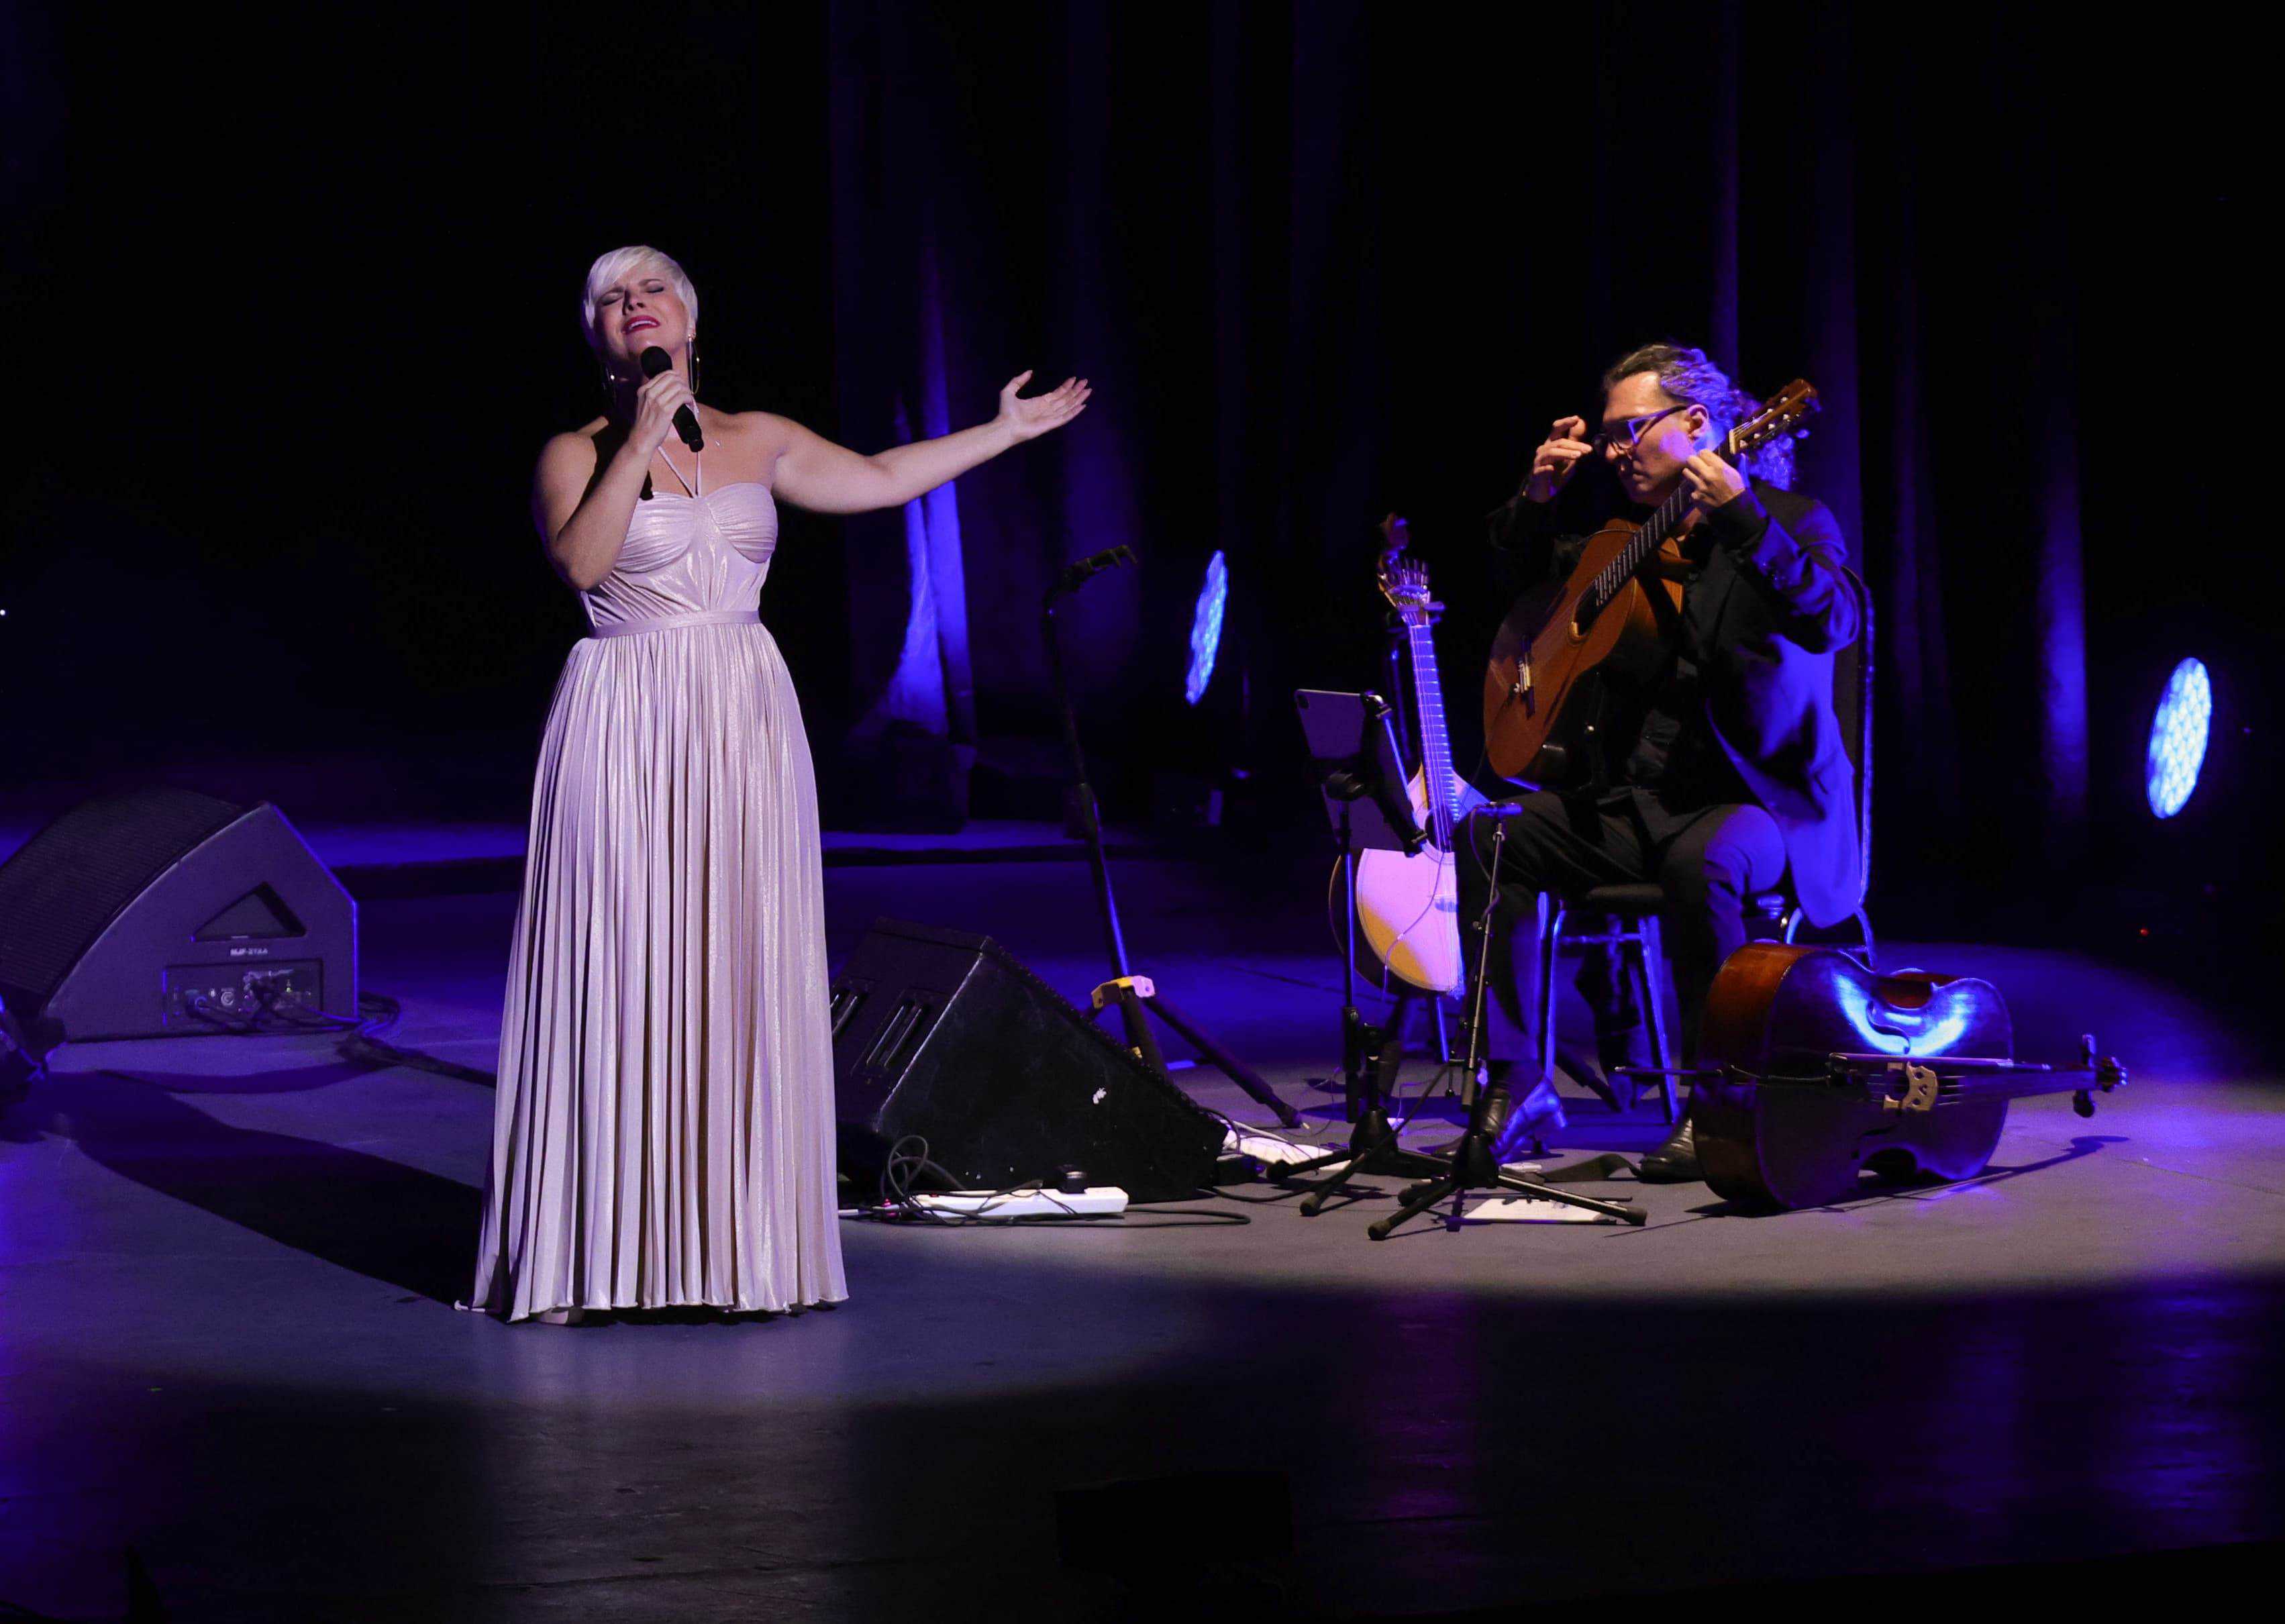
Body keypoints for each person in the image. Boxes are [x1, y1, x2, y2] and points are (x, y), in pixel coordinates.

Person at [469, 246, 1089, 1321]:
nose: (635, 307)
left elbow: (882, 479)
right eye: (613, 300)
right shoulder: (574, 451)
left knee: (735, 962)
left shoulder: (760, 440)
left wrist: (1006, 430)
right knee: (627, 960)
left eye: (652, 290)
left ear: (692, 322)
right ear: (596, 336)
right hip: (626, 711)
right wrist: (644, 440)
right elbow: (581, 565)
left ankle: (732, 1248)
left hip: (743, 714)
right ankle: (597, 1255)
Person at [1462, 342, 1859, 1181]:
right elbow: (1524, 582)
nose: (1614, 452)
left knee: (1701, 862)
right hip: (1631, 802)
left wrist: (1748, 517)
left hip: (1755, 806)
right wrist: (1536, 500)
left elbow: (1837, 620)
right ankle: (1519, 1082)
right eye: (1608, 437)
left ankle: (1714, 1099)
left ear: (1697, 425)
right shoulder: (1621, 542)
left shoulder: (1787, 519)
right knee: (1496, 837)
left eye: (1630, 431)